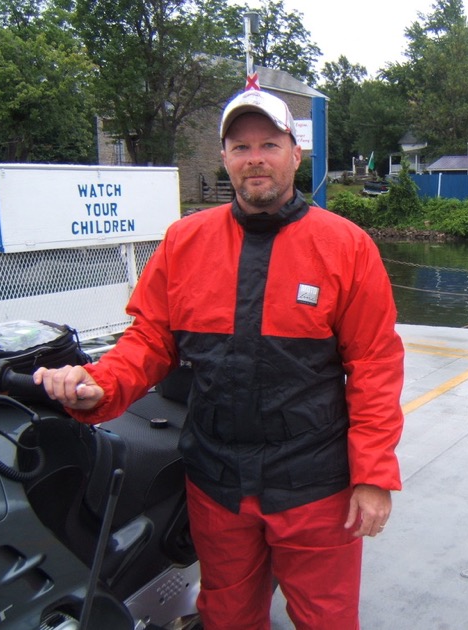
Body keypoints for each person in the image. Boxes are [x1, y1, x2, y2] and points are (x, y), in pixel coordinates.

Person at [34, 88, 405, 629]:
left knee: (326, 616)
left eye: (270, 144)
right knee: (226, 614)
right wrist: (99, 383)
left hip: (315, 484)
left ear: (294, 154)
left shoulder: (346, 246)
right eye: (241, 146)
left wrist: (373, 476)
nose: (255, 157)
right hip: (216, 481)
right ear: (225, 157)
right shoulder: (185, 242)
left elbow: (374, 366)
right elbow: (149, 340)